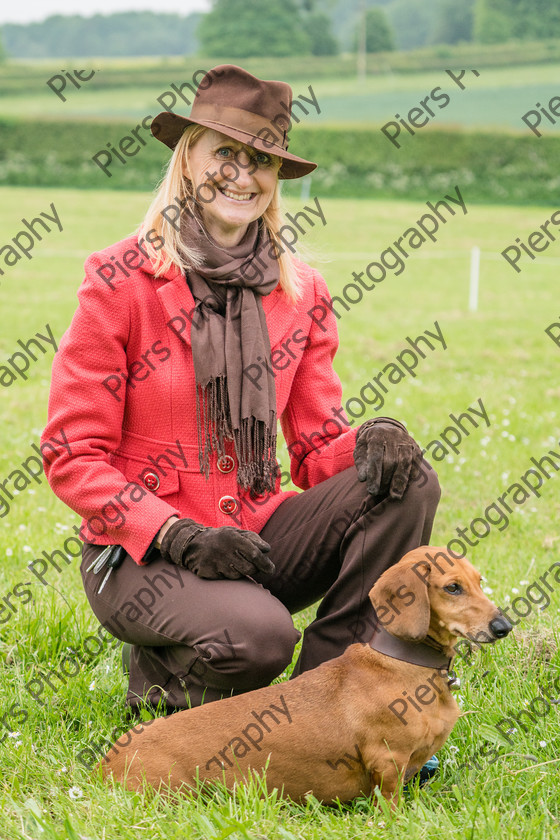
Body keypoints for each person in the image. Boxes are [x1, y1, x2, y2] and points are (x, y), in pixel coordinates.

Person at [41, 64, 440, 721]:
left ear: (274, 180)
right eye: (225, 152)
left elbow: (315, 452)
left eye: (260, 160)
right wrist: (177, 534)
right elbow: (71, 454)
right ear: (188, 158)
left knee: (408, 480)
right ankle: (163, 675)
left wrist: (372, 439)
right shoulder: (120, 278)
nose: (242, 173)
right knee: (259, 637)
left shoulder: (301, 291)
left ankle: (330, 690)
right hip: (142, 549)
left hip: (252, 532)